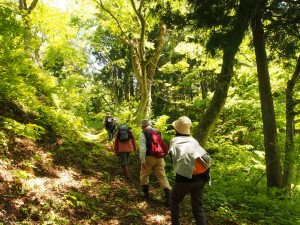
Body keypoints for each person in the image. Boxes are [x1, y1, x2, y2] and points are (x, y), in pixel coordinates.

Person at [169, 116, 211, 225]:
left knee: (173, 200)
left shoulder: (174, 141)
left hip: (184, 178)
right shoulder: (194, 140)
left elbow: (174, 160)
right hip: (201, 177)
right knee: (198, 208)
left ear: (176, 129)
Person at [139, 119, 171, 207]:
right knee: (162, 175)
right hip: (159, 157)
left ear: (143, 126)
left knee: (144, 174)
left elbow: (142, 148)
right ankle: (168, 196)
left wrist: (142, 160)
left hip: (149, 157)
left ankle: (145, 194)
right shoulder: (158, 132)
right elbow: (161, 144)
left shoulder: (143, 133)